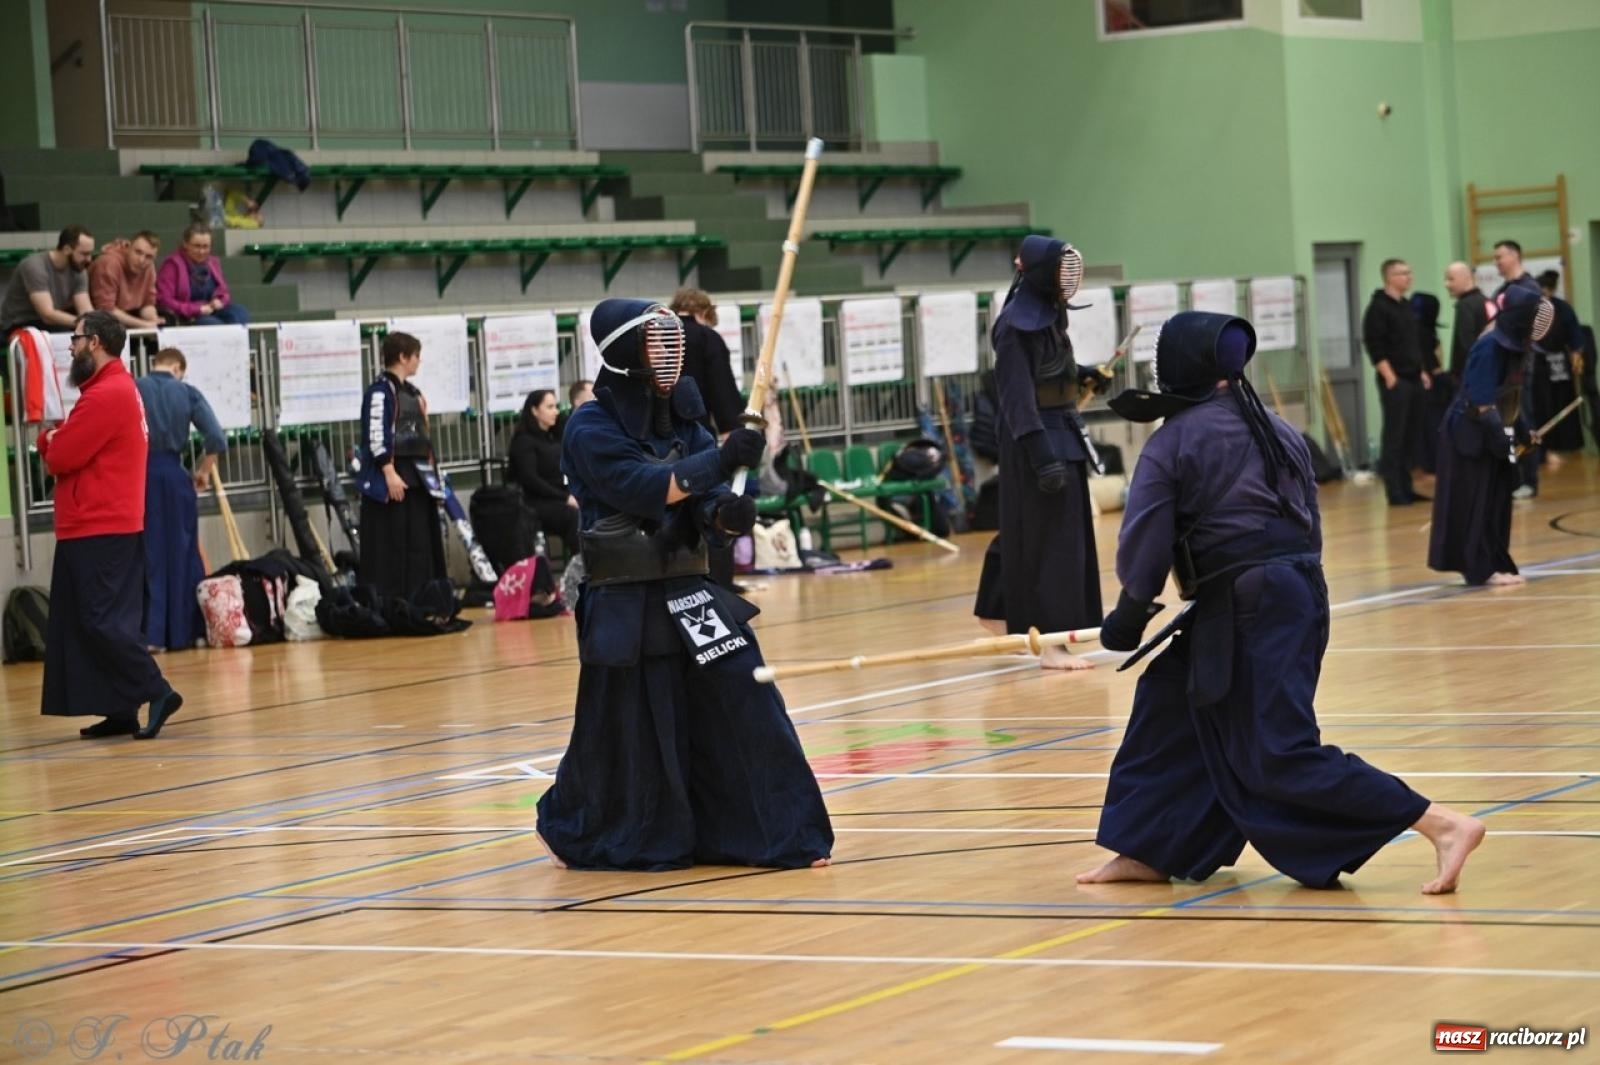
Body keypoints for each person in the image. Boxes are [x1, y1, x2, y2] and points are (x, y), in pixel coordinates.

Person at [1080, 311, 1485, 895]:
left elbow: (1144, 542)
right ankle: (1147, 849)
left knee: (1277, 751)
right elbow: (1306, 524)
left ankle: (1441, 824)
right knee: (1169, 704)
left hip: (1251, 602)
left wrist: (1128, 613)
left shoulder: (1173, 441)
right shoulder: (1277, 427)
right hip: (1293, 592)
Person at [535, 297, 833, 871]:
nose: (669, 355)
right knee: (625, 727)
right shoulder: (588, 427)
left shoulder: (685, 418)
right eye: (655, 342)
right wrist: (720, 464)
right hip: (625, 597)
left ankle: (780, 835)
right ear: (625, 351)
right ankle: (581, 824)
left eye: (672, 342)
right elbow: (644, 486)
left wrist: (724, 514)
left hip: (689, 588)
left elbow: (701, 500)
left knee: (747, 696)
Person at [37, 311, 184, 740]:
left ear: (96, 342)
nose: (72, 346)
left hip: (98, 525)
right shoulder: (117, 387)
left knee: (100, 620)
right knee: (100, 621)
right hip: (107, 523)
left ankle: (157, 690)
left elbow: (62, 456)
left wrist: (47, 440)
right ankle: (121, 709)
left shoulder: (105, 394)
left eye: (77, 338)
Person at [972, 235, 1103, 670]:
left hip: (1061, 431)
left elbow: (1049, 370)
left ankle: (999, 612)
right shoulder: (1014, 326)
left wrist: (1082, 376)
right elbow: (1016, 398)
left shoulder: (1050, 317)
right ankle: (1047, 642)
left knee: (1052, 537)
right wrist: (1041, 453)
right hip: (1034, 441)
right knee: (1047, 542)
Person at [1429, 286, 1555, 587]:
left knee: (1497, 502)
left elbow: (1509, 394)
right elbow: (1481, 401)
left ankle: (1496, 562)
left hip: (1492, 428)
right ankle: (1478, 569)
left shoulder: (1515, 348)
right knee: (1477, 502)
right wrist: (1501, 436)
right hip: (1469, 433)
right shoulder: (1490, 346)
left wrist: (1523, 431)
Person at [136, 347, 226, 652]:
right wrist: (203, 470)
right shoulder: (186, 392)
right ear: (178, 367)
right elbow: (216, 436)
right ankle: (188, 632)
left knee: (149, 555)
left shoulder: (135, 388)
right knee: (185, 553)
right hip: (176, 478)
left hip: (143, 477)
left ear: (155, 364)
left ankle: (151, 635)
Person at [355, 331, 446, 599]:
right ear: (403, 357)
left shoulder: (413, 393)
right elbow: (375, 434)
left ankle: (421, 595)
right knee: (393, 543)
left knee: (418, 541)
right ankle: (392, 597)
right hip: (394, 477)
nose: (419, 361)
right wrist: (388, 471)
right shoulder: (380, 392)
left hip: (418, 477)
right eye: (416, 356)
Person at [670, 288, 748, 588]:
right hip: (696, 435)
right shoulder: (707, 339)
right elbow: (722, 391)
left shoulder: (659, 335)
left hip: (655, 439)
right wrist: (733, 429)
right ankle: (718, 582)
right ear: (705, 313)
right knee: (713, 503)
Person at [1361, 259, 1429, 506]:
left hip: (1413, 377)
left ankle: (1407, 486)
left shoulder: (1407, 306)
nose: (1409, 277)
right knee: (1395, 436)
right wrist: (1390, 377)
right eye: (1403, 273)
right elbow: (1374, 345)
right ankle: (1395, 491)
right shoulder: (1378, 308)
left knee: (1411, 436)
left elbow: (1413, 343)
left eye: (1409, 273)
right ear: (1389, 277)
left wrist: (1421, 371)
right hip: (1396, 380)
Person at [506, 388, 581, 556]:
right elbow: (530, 479)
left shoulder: (553, 436)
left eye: (556, 406)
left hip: (561, 496)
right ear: (534, 410)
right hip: (535, 502)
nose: (555, 411)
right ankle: (584, 563)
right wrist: (565, 497)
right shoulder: (524, 441)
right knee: (574, 516)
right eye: (549, 407)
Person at [0, 226, 94, 336]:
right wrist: (83, 323)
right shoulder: (35, 266)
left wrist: (95, 324)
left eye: (90, 253)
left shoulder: (78, 269)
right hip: (19, 322)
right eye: (84, 254)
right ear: (66, 249)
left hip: (48, 324)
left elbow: (85, 310)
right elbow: (47, 314)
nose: (89, 259)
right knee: (70, 338)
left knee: (89, 338)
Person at [156, 224, 249, 326]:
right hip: (187, 315)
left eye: (205, 247)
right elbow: (164, 300)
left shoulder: (213, 262)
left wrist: (220, 300)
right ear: (185, 244)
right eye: (197, 246)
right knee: (212, 324)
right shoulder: (172, 264)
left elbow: (223, 291)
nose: (201, 251)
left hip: (211, 310)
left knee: (239, 313)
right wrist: (197, 309)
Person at [88, 230, 161, 331]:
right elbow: (105, 310)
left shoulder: (149, 267)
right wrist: (144, 324)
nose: (141, 260)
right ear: (128, 248)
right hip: (101, 321)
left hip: (127, 315)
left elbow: (147, 304)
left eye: (149, 257)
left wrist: (154, 320)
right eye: (138, 252)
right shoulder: (108, 263)